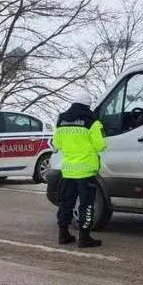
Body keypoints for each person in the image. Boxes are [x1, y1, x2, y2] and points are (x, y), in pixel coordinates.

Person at [53, 90, 107, 248]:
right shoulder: (92, 122)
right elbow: (101, 146)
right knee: (86, 204)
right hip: (85, 172)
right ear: (88, 105)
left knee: (66, 203)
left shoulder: (61, 120)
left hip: (68, 171)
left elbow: (57, 145)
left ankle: (63, 234)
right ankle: (84, 237)